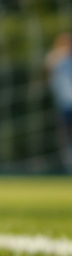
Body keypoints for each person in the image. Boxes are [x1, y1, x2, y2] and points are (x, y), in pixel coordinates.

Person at [46, 32, 72, 173]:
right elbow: (49, 65)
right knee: (65, 134)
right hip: (64, 103)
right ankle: (68, 164)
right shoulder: (57, 58)